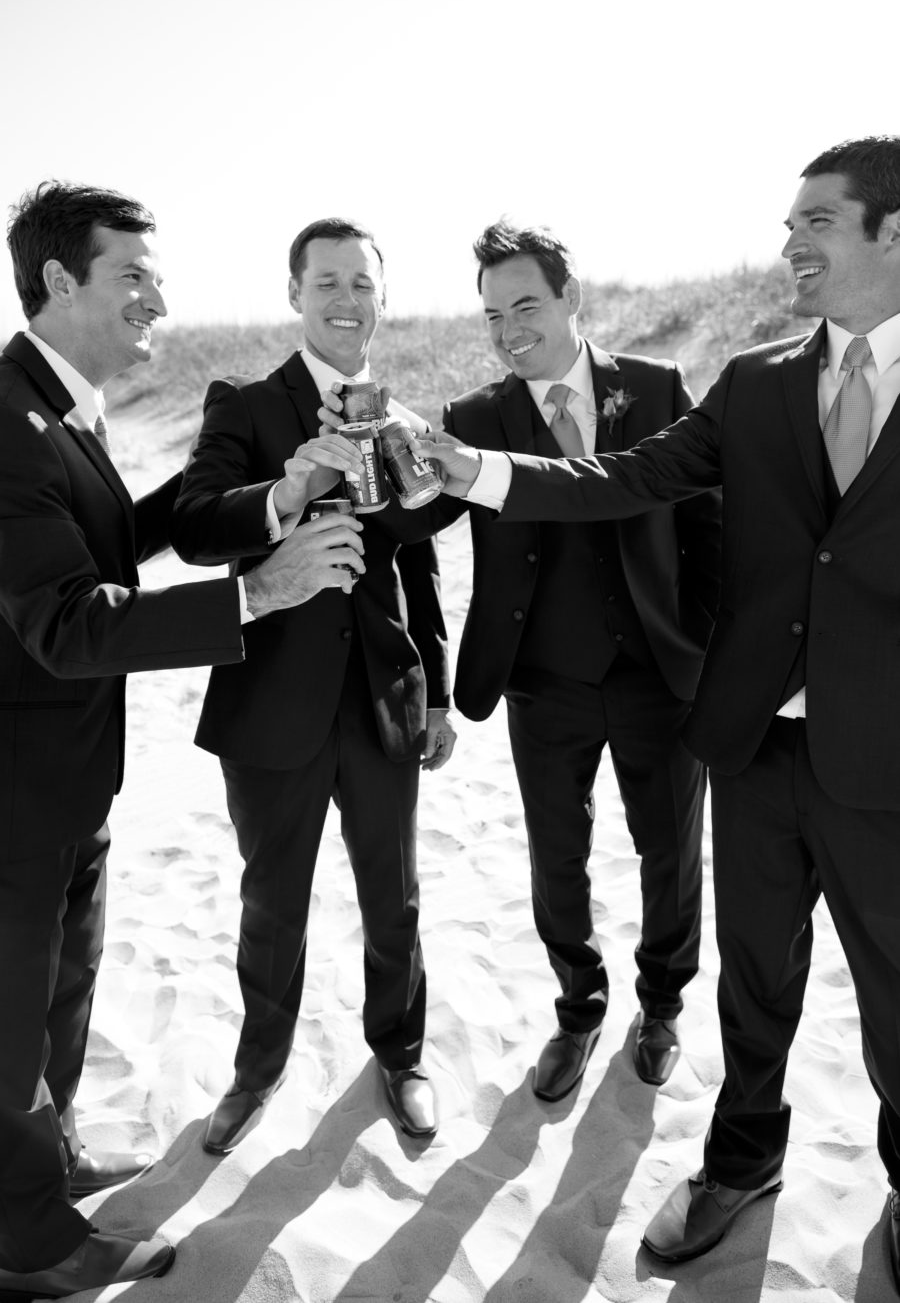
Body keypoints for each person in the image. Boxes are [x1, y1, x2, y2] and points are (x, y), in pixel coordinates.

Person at [416, 135, 900, 1291]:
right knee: (754, 983)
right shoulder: (755, 382)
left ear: (893, 233)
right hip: (754, 746)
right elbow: (626, 480)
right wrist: (475, 471)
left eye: (818, 221)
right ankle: (741, 1164)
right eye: (788, 223)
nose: (789, 243)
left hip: (886, 757)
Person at [0, 183, 364, 1297]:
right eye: (133, 277)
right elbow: (68, 621)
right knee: (9, 1025)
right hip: (14, 794)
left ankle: (51, 1163)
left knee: (61, 993)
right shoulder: (4, 421)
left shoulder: (59, 406)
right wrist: (260, 593)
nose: (158, 300)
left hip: (72, 782)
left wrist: (275, 497)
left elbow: (114, 535)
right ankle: (29, 1245)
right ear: (59, 281)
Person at [171, 217, 456, 1156]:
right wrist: (287, 494)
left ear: (383, 299)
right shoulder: (245, 405)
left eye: (361, 283)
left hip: (383, 700)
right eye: (326, 282)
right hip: (271, 703)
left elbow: (419, 571)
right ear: (294, 294)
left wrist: (438, 693)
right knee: (272, 902)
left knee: (395, 897)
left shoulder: (406, 420)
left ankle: (402, 1057)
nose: (345, 299)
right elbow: (194, 527)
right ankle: (257, 1072)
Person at [436, 222, 721, 1101]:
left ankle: (662, 1004)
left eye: (526, 304)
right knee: (556, 855)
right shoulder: (471, 418)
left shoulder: (656, 384)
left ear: (571, 299)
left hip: (658, 672)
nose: (509, 329)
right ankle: (579, 1004)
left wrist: (704, 637)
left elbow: (708, 524)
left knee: (669, 848)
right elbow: (416, 523)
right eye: (492, 315)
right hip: (541, 679)